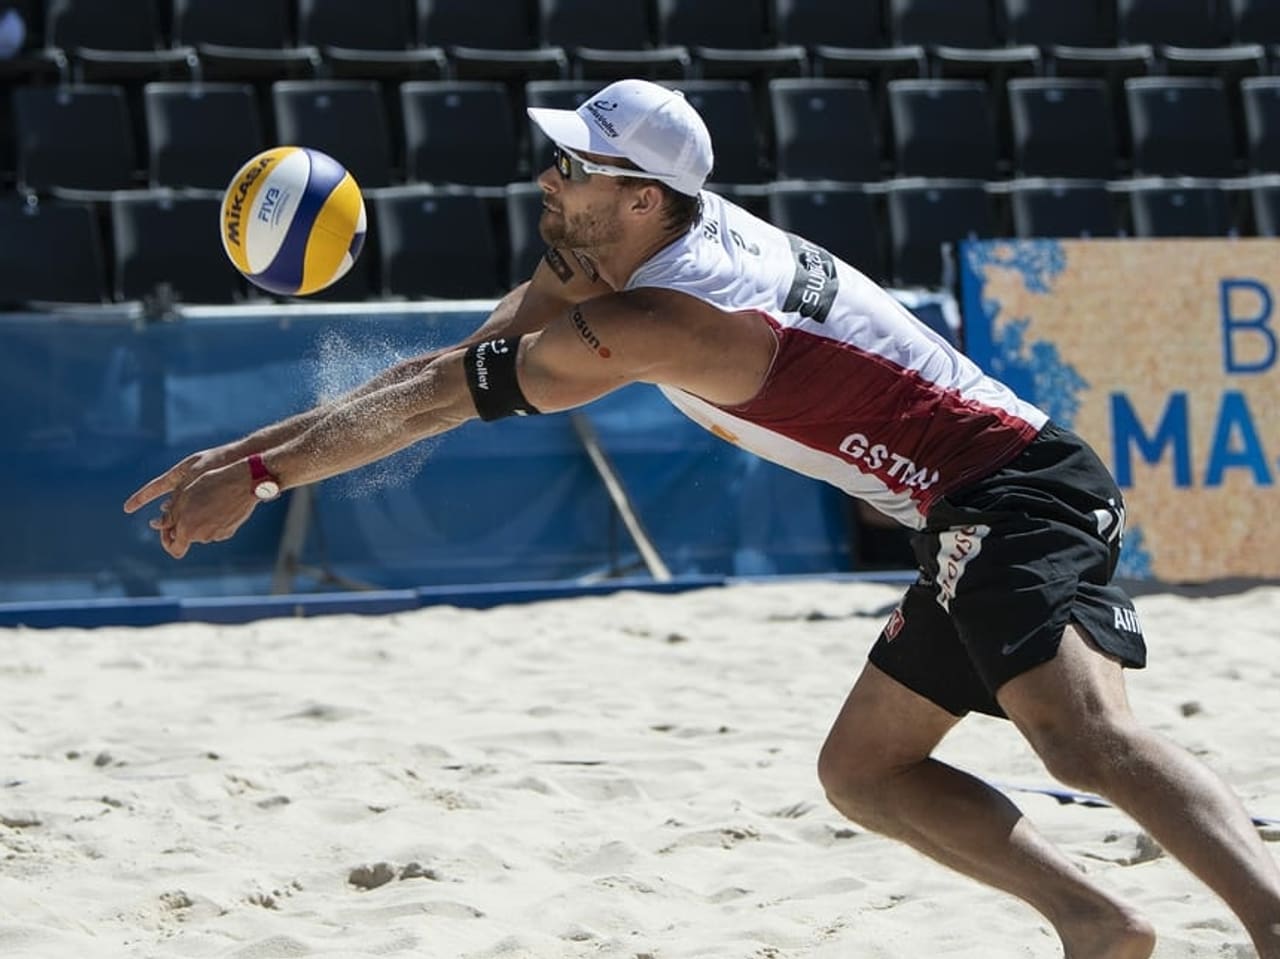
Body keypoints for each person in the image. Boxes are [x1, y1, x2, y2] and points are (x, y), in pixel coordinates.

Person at [123, 78, 1280, 957]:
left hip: (1015, 487)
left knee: (1078, 737)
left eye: (574, 166)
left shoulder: (668, 316)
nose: (548, 179)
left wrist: (264, 479)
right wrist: (239, 454)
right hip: (956, 506)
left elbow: (441, 401)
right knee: (865, 772)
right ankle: (1097, 923)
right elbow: (445, 365)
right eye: (555, 158)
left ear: (642, 195)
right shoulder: (613, 248)